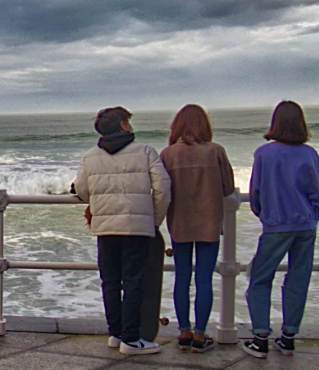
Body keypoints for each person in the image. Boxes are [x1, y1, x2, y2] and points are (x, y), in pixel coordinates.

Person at [74, 106, 171, 355]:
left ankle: (116, 334)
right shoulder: (146, 152)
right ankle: (132, 338)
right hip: (137, 228)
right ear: (123, 125)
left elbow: (83, 191)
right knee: (133, 281)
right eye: (128, 121)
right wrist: (153, 221)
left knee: (110, 281)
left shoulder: (89, 156)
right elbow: (163, 190)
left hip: (106, 227)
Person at [243, 100, 319, 359]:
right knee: (298, 278)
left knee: (259, 278)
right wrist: (313, 216)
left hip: (277, 224)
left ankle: (260, 336)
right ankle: (288, 336)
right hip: (306, 223)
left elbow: (256, 191)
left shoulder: (264, 154)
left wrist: (261, 212)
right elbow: (316, 192)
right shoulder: (309, 153)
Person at [163, 104, 236, 353]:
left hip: (179, 222)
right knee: (204, 278)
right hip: (208, 221)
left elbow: (162, 191)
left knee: (182, 278)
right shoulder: (215, 151)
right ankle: (200, 334)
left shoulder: (168, 154)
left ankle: (183, 331)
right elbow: (228, 188)